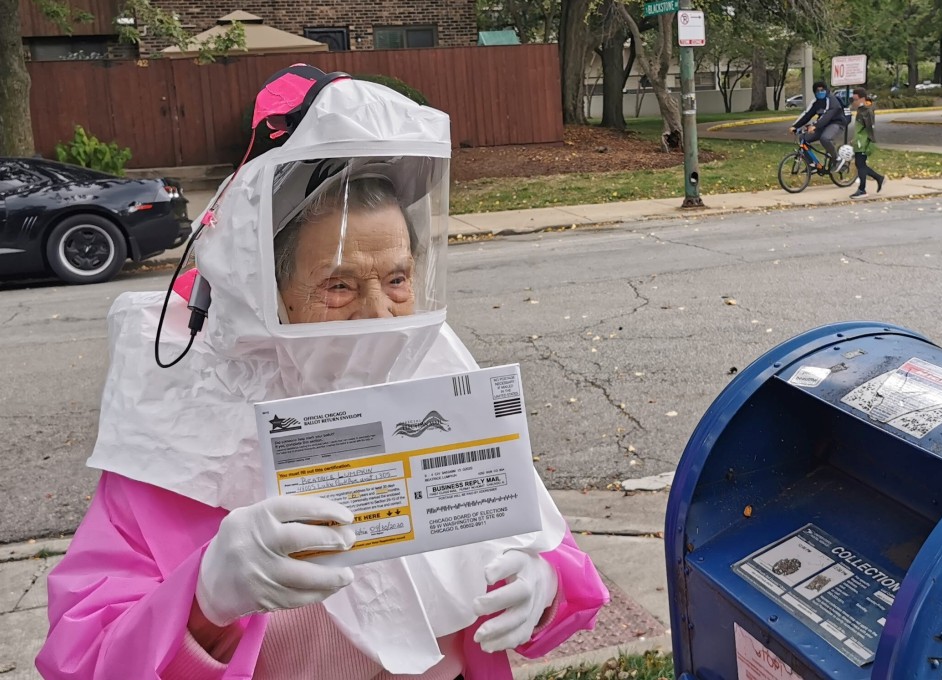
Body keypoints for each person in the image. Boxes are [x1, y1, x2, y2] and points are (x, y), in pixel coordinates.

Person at [36, 67, 609, 680]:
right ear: (266, 292)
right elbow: (83, 656)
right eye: (338, 285)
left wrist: (545, 581)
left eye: (397, 279)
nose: (378, 311)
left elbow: (558, 561)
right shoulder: (177, 433)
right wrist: (201, 598)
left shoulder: (433, 375)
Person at [789, 80, 848, 172]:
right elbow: (807, 114)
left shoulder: (831, 100)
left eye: (822, 90)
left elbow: (828, 115)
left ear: (826, 90)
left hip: (836, 123)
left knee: (825, 138)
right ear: (814, 92)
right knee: (803, 138)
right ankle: (812, 165)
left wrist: (815, 125)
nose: (820, 92)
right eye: (817, 91)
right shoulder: (816, 102)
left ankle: (837, 159)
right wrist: (795, 126)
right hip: (822, 125)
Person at [849, 88, 885, 199]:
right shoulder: (861, 110)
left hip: (864, 143)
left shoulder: (867, 111)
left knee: (860, 165)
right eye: (852, 99)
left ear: (862, 98)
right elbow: (859, 129)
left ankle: (862, 189)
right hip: (859, 141)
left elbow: (870, 129)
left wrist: (870, 143)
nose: (853, 102)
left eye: (855, 99)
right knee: (860, 165)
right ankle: (879, 178)